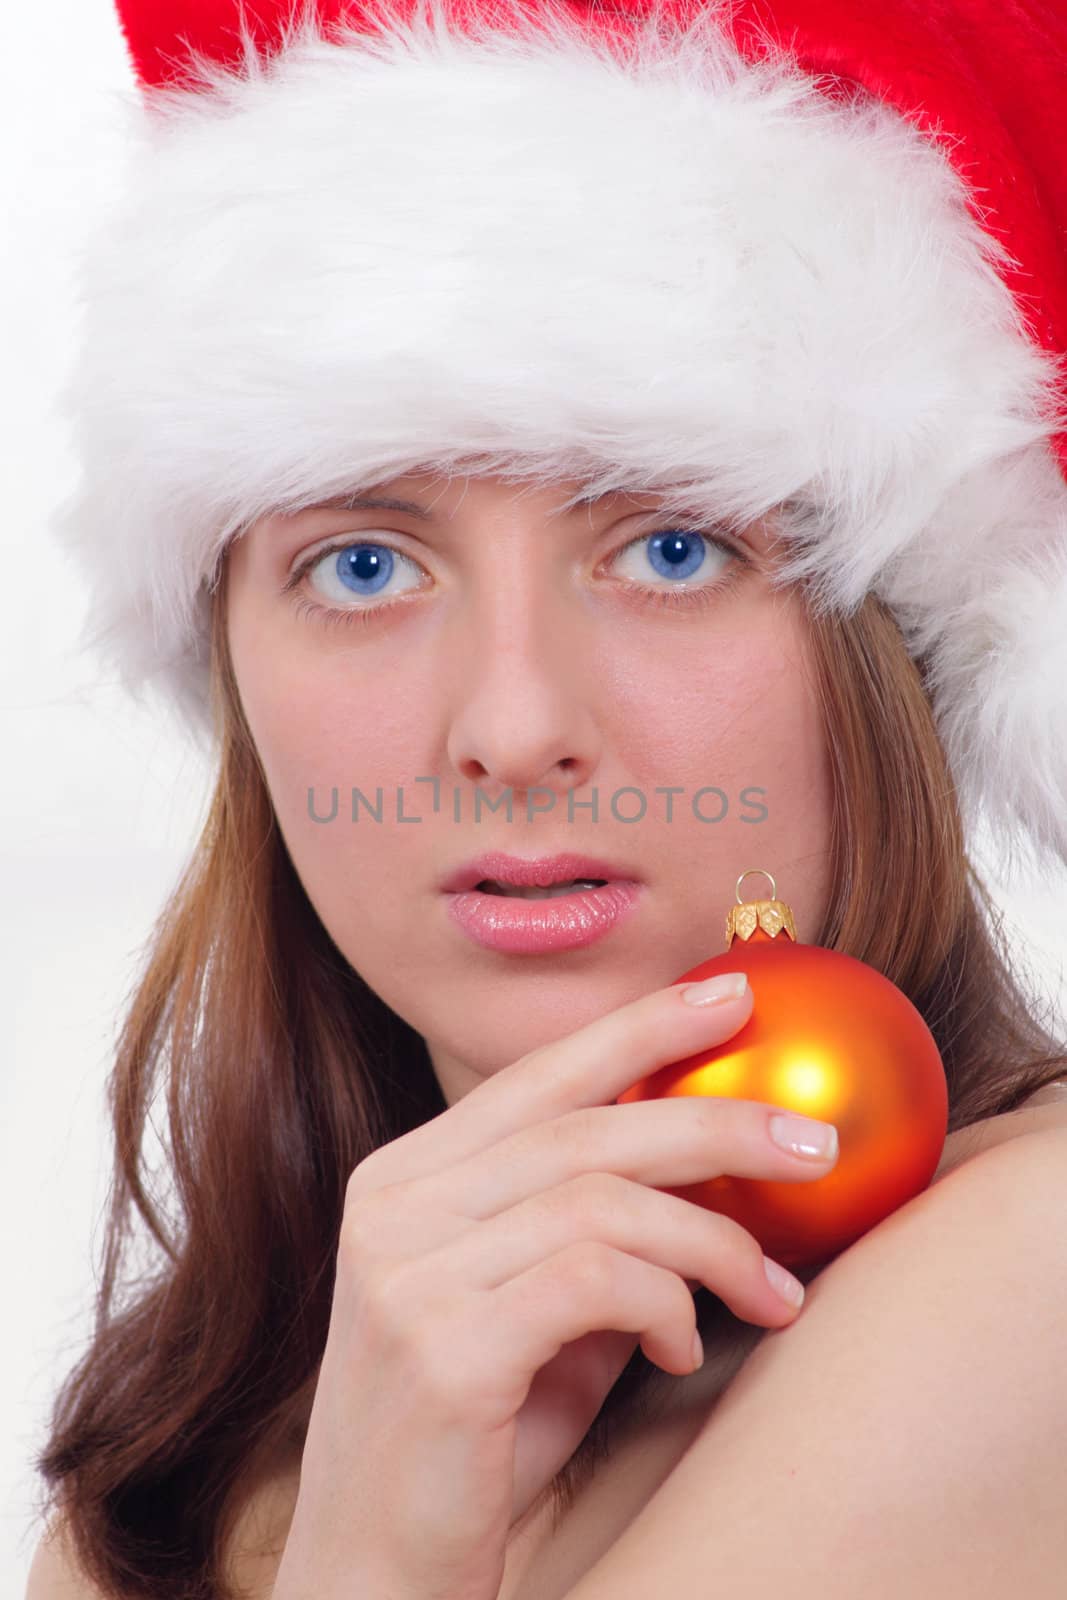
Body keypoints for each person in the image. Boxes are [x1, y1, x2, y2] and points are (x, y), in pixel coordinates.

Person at [25, 1, 1067, 1596]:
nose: (513, 728)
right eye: (363, 565)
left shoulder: (1032, 1277)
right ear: (230, 657)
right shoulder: (215, 1454)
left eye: (671, 546)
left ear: (892, 649)